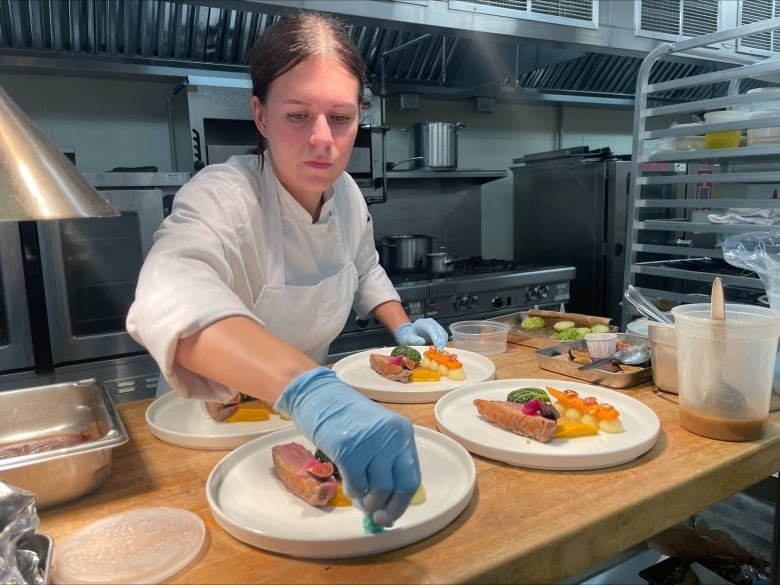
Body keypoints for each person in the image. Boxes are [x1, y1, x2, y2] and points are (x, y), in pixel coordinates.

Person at [125, 10, 448, 528]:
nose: (323, 137)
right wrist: (309, 389)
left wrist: (401, 327)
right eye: (298, 115)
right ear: (261, 116)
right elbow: (169, 293)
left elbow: (364, 269)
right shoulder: (223, 194)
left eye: (340, 118)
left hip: (308, 430)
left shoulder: (344, 194)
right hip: (210, 427)